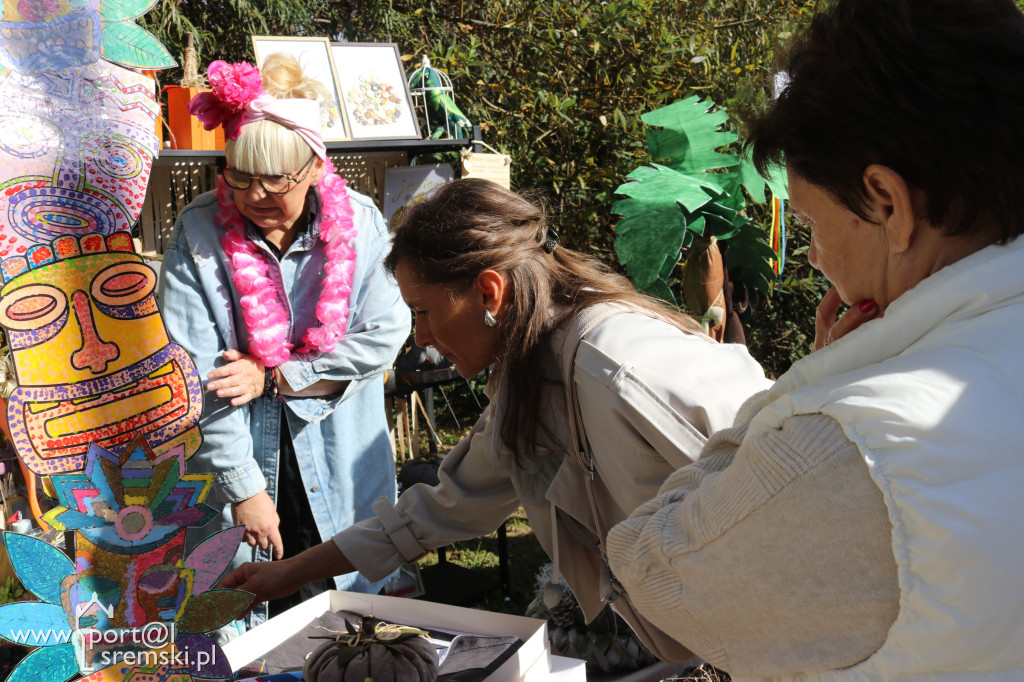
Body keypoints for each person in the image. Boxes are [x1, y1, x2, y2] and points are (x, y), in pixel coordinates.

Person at [605, 0, 1024, 679]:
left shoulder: (850, 443)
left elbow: (651, 568)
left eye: (809, 223)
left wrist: (816, 380)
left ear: (886, 202)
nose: (816, 258)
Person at [223, 178, 771, 660]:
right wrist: (286, 574)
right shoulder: (526, 384)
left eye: (424, 311)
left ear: (489, 291)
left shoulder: (618, 362)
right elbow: (434, 511)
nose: (422, 338)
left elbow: (781, 473)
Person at [157, 55, 409, 630]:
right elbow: (198, 374)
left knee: (355, 627)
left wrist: (275, 373)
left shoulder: (362, 224)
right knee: (250, 626)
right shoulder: (198, 234)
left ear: (316, 168)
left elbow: (384, 335)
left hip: (342, 459)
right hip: (237, 460)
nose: (256, 195)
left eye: (277, 180)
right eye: (239, 177)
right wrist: (244, 489)